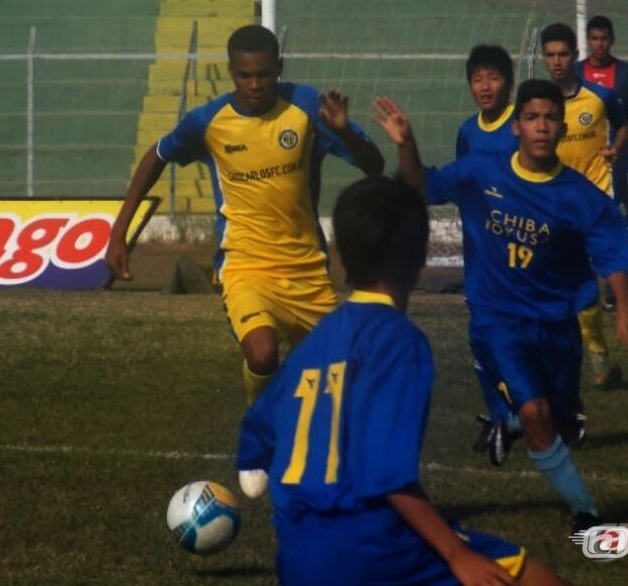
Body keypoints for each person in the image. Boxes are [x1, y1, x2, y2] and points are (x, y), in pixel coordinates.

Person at [237, 175, 569, 586]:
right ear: (421, 257)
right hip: (371, 547)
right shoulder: (398, 340)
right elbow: (385, 474)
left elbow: (257, 429)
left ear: (341, 253)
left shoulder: (311, 343)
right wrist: (456, 553)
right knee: (538, 580)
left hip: (297, 554)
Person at [371, 79, 628, 533]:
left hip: (557, 323)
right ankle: (586, 514)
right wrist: (407, 143)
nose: (541, 127)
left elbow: (612, 251)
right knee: (539, 416)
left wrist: (627, 308)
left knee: (561, 426)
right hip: (498, 320)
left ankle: (508, 422)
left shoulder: (579, 196)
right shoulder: (482, 171)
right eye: (532, 118)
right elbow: (423, 185)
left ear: (561, 127)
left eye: (551, 118)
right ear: (516, 126)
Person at [105, 25, 384, 407]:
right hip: (245, 266)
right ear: (231, 72)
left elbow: (374, 165)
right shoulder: (209, 121)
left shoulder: (306, 107)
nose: (254, 84)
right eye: (244, 75)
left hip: (307, 270)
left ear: (279, 68)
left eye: (264, 74)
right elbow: (156, 156)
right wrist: (119, 232)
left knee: (333, 387)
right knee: (262, 352)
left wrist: (344, 133)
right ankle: (260, 431)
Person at [540, 22, 628, 388]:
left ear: (575, 57)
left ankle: (597, 360)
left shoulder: (598, 97)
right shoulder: (538, 103)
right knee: (553, 282)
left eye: (563, 54)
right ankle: (583, 359)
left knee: (582, 280)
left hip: (590, 201)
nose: (557, 61)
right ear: (544, 58)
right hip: (549, 200)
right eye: (550, 55)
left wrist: (615, 147)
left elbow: (622, 124)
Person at [456, 44, 524, 466]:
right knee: (481, 339)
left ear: (508, 82)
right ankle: (502, 417)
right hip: (480, 254)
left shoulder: (521, 124)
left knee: (519, 340)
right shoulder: (467, 131)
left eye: (493, 77)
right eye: (478, 78)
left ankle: (545, 414)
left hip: (519, 256)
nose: (485, 86)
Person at [576, 14, 628, 308]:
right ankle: (579, 290)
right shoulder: (574, 73)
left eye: (604, 39)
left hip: (616, 166)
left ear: (612, 40)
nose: (599, 44)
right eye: (594, 39)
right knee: (575, 227)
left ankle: (614, 294)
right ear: (588, 41)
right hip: (580, 168)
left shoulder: (626, 74)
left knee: (616, 227)